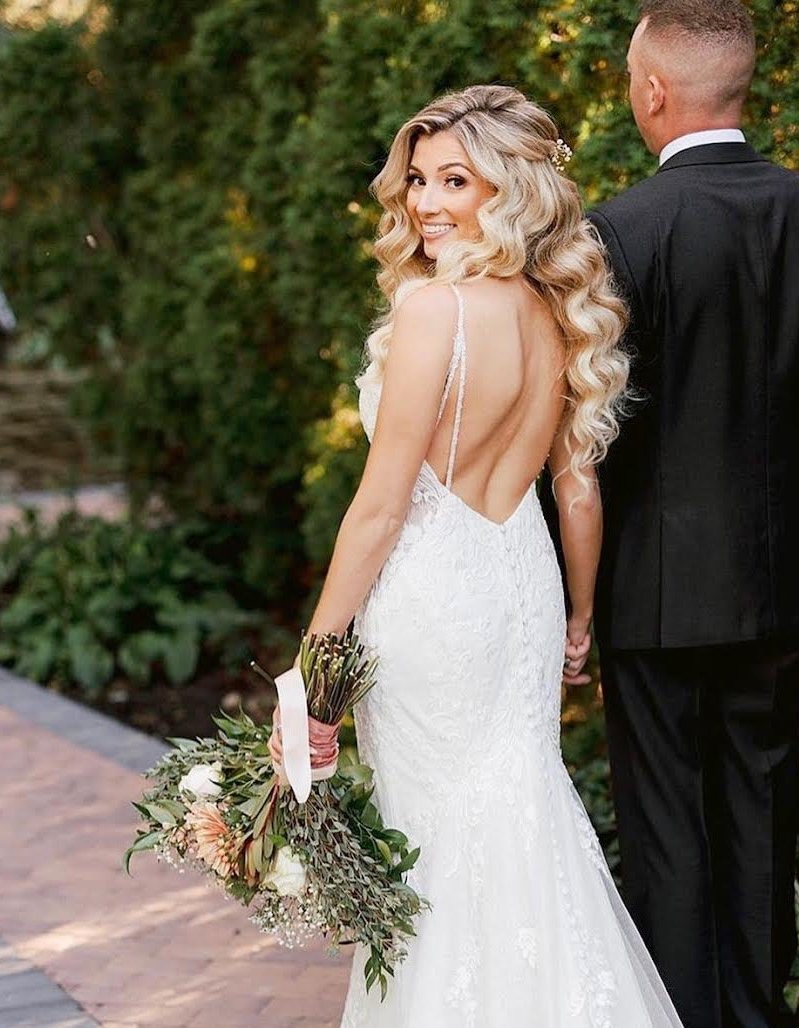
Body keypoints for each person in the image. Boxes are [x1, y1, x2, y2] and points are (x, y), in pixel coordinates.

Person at [270, 85, 684, 1027]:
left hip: (435, 599)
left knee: (442, 838)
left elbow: (379, 511)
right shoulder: (560, 311)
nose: (424, 203)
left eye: (454, 179)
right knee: (521, 812)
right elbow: (577, 489)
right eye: (417, 179)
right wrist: (579, 617)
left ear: (511, 187)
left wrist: (311, 673)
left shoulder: (436, 313)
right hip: (522, 589)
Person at [586, 2, 799, 1026]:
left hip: (649, 592)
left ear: (653, 90)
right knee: (759, 814)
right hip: (783, 580)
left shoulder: (619, 230)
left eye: (630, 78)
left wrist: (578, 589)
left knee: (667, 830)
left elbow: (595, 436)